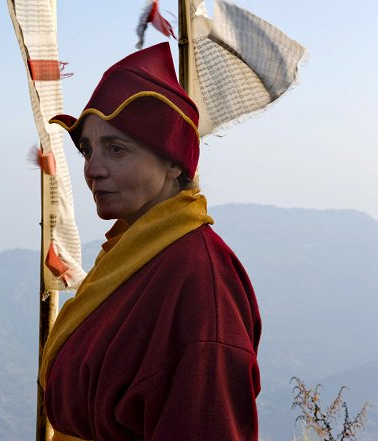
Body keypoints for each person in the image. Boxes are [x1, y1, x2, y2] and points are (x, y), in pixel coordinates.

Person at [39, 43, 262, 441]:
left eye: (116, 149)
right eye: (88, 150)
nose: (92, 170)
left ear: (173, 161)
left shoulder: (199, 281)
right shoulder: (134, 256)